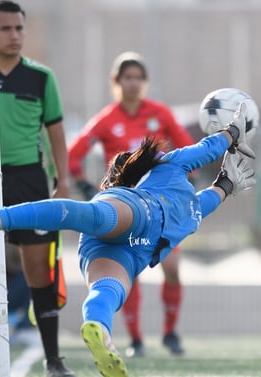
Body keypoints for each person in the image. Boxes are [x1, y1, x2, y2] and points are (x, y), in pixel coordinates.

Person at [0, 103, 256, 377]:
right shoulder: (178, 185)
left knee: (92, 245)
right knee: (105, 283)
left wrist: (230, 142)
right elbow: (209, 172)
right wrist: (232, 147)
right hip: (139, 235)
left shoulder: (182, 190)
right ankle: (99, 323)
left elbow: (209, 160)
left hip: (128, 232)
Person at [68, 51, 196, 357]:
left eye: (139, 78)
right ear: (117, 81)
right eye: (128, 78)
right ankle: (136, 339)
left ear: (145, 82)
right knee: (129, 271)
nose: (134, 83)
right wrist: (84, 184)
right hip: (125, 210)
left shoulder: (160, 114)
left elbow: (187, 148)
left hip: (159, 207)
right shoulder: (106, 119)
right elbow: (74, 153)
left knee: (174, 268)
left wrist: (188, 178)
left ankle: (170, 333)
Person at [0, 1, 74, 377]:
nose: (14, 35)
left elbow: (56, 131)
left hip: (29, 180)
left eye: (19, 28)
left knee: (39, 270)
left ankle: (53, 359)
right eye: (5, 28)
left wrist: (63, 179)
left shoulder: (41, 77)